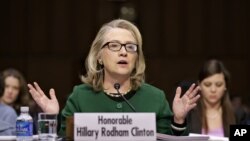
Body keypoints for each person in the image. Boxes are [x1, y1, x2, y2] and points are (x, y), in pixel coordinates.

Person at [27, 19, 200, 137]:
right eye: (114, 46)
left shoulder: (155, 97)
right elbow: (65, 138)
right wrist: (51, 117)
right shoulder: (80, 96)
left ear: (137, 57)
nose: (123, 51)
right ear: (99, 56)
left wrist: (178, 120)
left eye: (130, 47)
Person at [187, 59, 236, 137]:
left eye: (219, 84)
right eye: (207, 84)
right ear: (199, 85)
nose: (213, 90)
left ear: (225, 86)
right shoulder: (189, 114)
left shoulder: (237, 115)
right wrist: (178, 119)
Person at [0, 68, 39, 134]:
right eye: (6, 86)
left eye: (15, 88)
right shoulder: (8, 112)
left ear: (20, 91)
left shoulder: (28, 113)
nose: (10, 91)